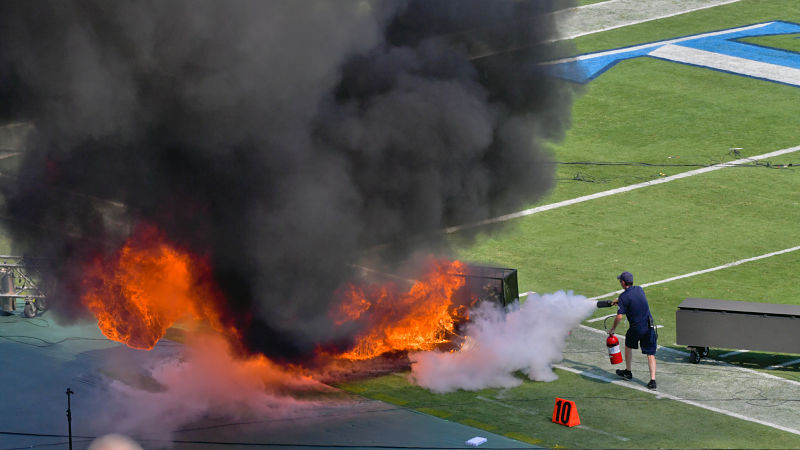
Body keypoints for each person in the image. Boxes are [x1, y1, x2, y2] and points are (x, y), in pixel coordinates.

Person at [607, 271, 658, 390]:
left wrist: (613, 329)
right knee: (650, 354)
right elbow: (632, 298)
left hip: (636, 328)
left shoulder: (623, 297)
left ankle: (628, 372)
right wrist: (619, 300)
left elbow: (619, 316)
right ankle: (653, 381)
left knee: (628, 345)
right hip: (649, 325)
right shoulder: (639, 289)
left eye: (620, 281)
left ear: (623, 283)